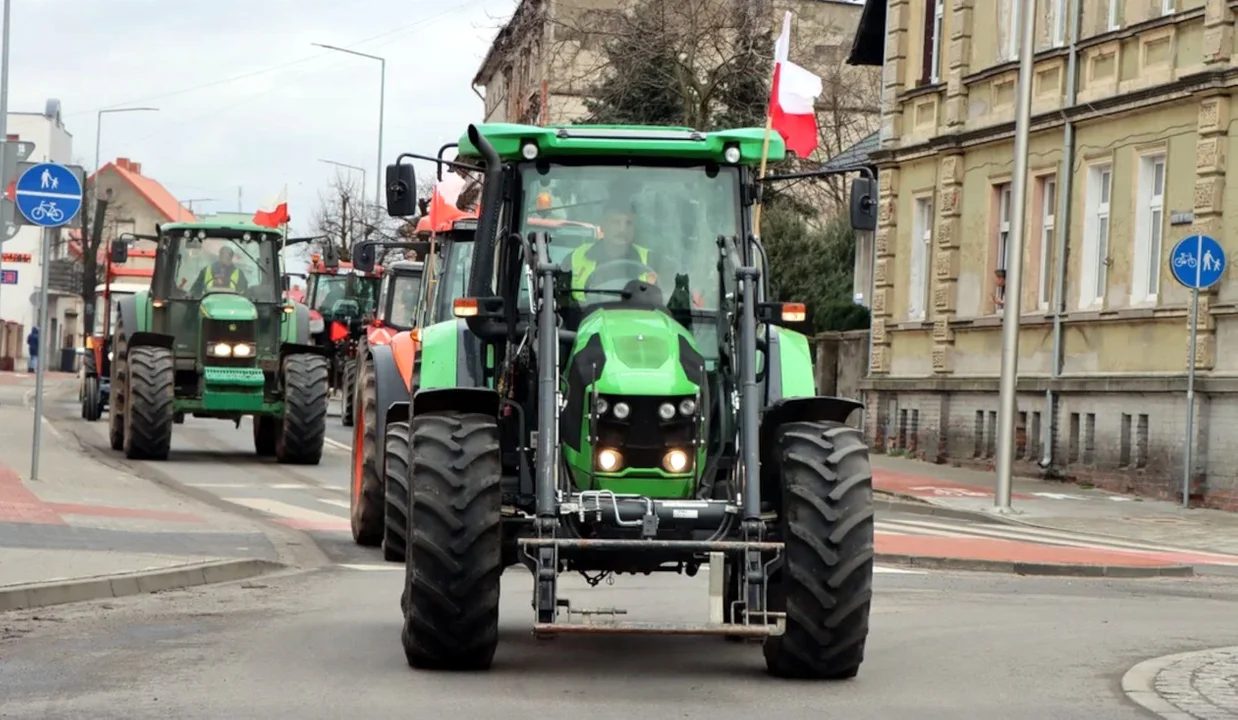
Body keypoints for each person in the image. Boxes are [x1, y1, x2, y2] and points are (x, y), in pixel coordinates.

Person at [561, 199, 666, 301]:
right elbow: (561, 303)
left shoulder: (653, 262)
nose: (622, 229)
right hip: (585, 317)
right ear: (602, 226)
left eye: (628, 223)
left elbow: (666, 304)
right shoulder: (573, 259)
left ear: (635, 228)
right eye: (615, 222)